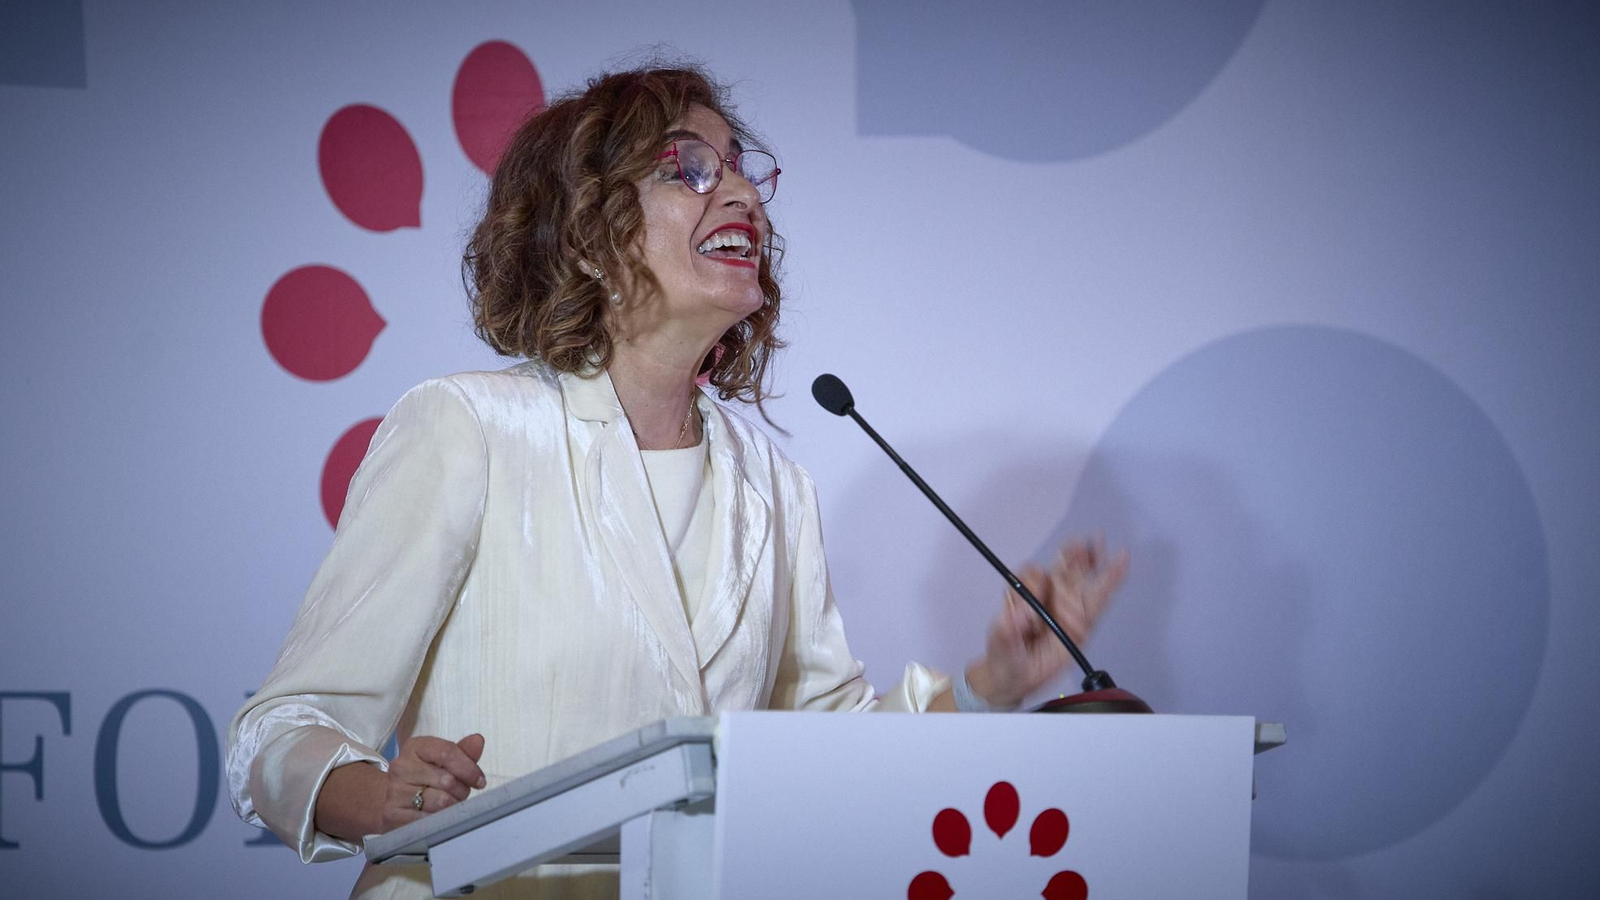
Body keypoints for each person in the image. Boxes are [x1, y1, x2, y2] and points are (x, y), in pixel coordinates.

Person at [226, 65, 1128, 900]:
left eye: (740, 170)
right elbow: (283, 725)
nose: (739, 193)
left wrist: (991, 684)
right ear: (585, 235)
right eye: (686, 170)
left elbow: (828, 751)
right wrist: (371, 795)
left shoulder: (773, 484)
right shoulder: (470, 429)